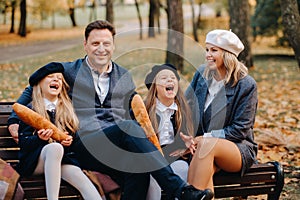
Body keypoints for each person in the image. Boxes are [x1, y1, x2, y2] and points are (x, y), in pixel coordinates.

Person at [8, 20, 213, 200]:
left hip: (116, 146)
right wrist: (13, 119)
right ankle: (180, 189)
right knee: (127, 127)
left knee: (139, 165)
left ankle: (178, 190)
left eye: (106, 43)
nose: (101, 49)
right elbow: (33, 87)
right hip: (85, 144)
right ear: (86, 45)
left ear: (113, 46)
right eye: (95, 43)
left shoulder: (124, 76)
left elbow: (138, 115)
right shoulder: (70, 70)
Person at [185, 29, 258, 193]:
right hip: (202, 150)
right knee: (204, 179)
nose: (207, 55)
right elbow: (185, 106)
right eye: (207, 50)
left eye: (213, 50)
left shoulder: (245, 85)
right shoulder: (202, 75)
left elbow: (240, 130)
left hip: (238, 148)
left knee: (205, 145)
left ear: (227, 54)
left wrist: (203, 138)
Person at [16, 63, 102, 200]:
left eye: (59, 79)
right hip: (35, 162)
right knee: (54, 147)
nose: (56, 80)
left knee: (84, 183)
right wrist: (39, 139)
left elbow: (75, 140)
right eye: (50, 77)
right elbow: (24, 143)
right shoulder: (31, 110)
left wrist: (70, 141)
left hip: (62, 160)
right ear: (39, 83)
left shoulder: (68, 110)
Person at [143, 64, 211, 200]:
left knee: (182, 168)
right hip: (150, 161)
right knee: (151, 182)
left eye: (173, 78)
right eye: (164, 78)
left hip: (172, 159)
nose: (170, 80)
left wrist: (185, 144)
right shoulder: (145, 110)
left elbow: (182, 141)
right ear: (154, 86)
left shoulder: (182, 111)